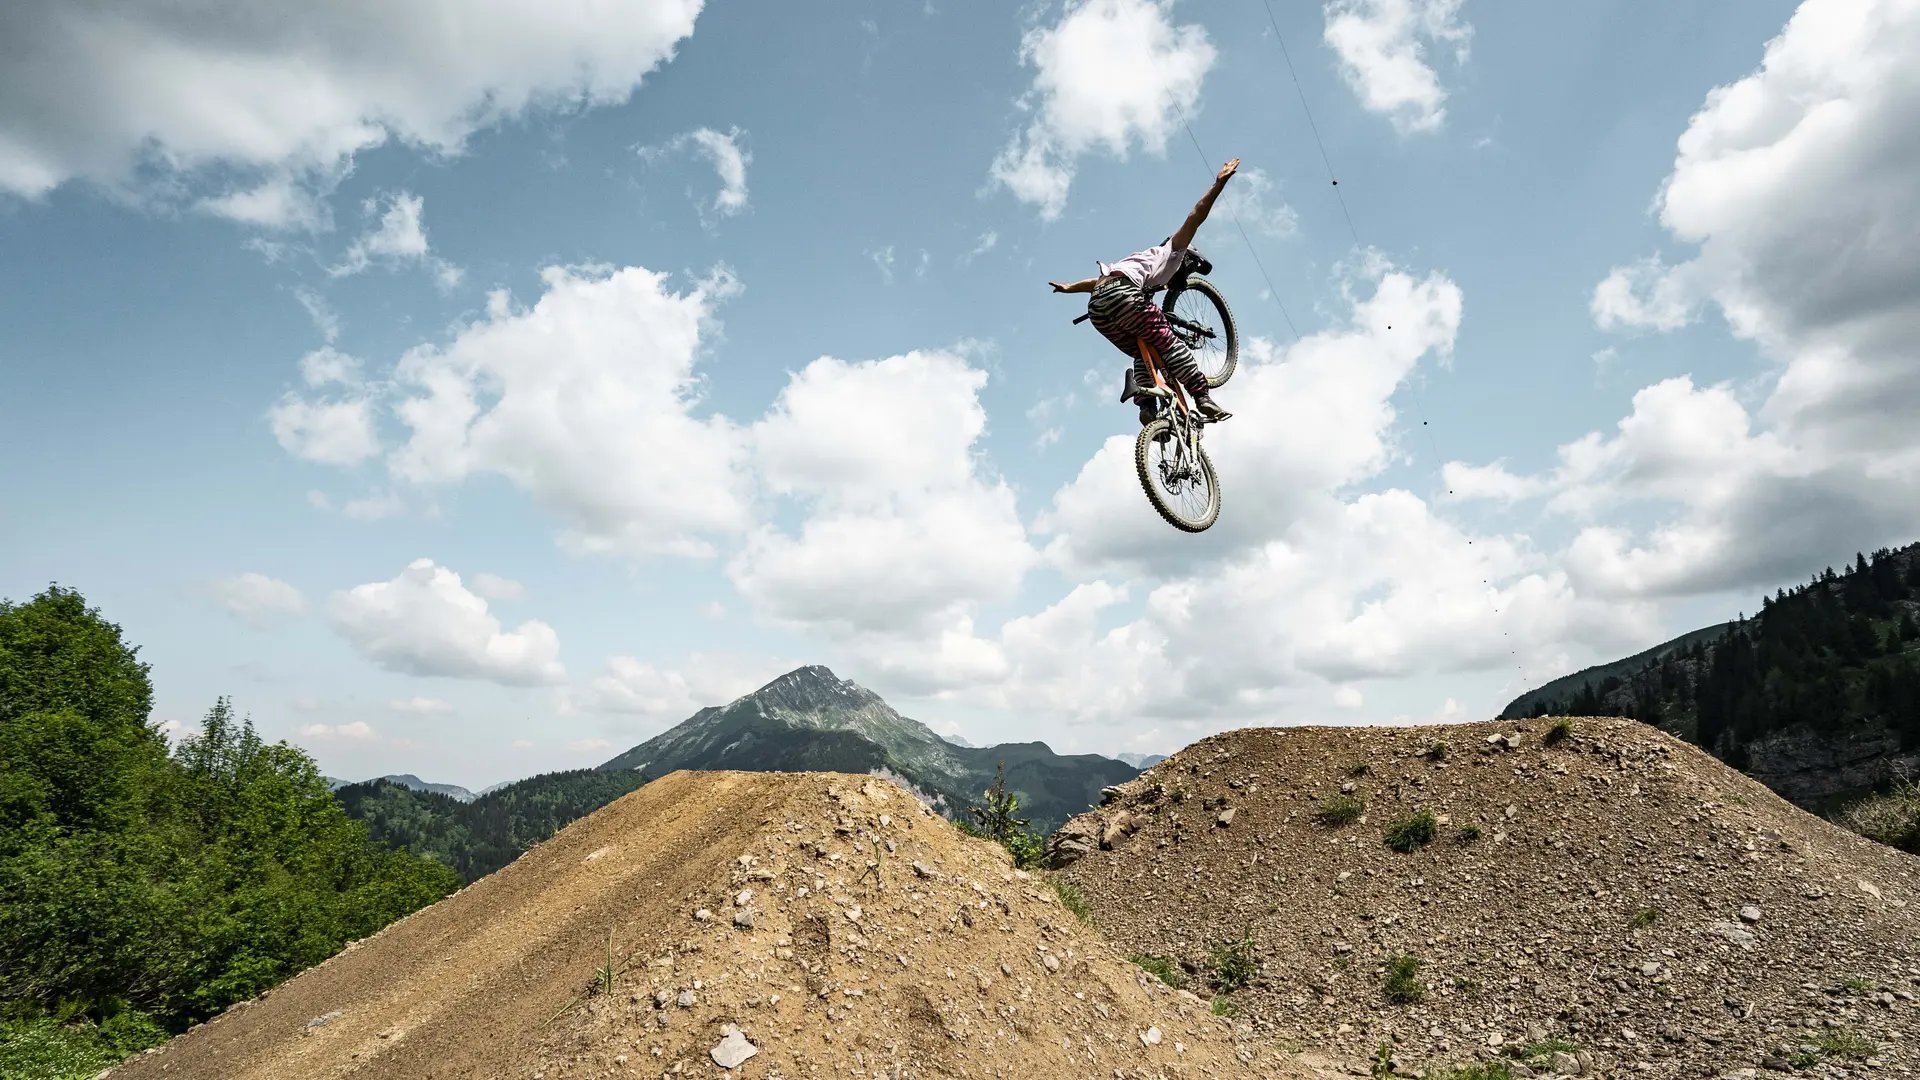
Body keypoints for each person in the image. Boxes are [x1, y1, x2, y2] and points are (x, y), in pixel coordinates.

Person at [1050, 157, 1239, 424]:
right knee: (1169, 342)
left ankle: (1146, 405)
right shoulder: (1173, 250)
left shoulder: (1136, 260)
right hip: (1125, 296)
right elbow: (1195, 217)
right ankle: (1202, 396)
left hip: (1098, 310)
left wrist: (1069, 288)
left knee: (1143, 352)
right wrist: (1218, 184)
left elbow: (1095, 283)